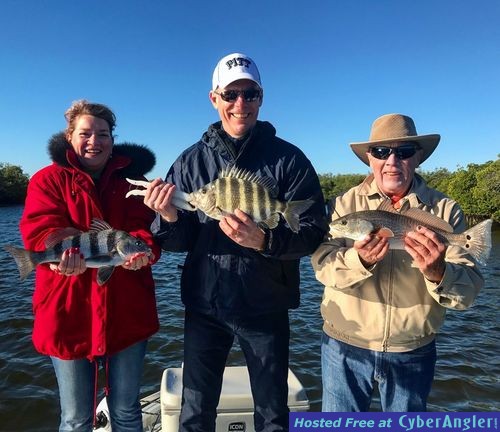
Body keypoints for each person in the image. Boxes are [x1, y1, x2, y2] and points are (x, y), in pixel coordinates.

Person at [142, 53, 326, 431]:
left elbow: (311, 233)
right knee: (195, 412)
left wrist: (265, 240)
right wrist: (170, 217)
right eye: (231, 94)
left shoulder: (289, 160)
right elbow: (178, 241)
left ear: (261, 97)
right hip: (205, 306)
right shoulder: (190, 162)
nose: (240, 104)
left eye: (250, 93)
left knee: (274, 413)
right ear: (215, 98)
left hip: (266, 305)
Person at [311, 113, 485, 412]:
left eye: (403, 152)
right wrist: (359, 259)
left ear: (417, 157)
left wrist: (437, 272)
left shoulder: (444, 210)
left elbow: (467, 294)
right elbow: (322, 267)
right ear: (369, 158)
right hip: (343, 349)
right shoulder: (343, 206)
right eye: (381, 151)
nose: (392, 160)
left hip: (413, 353)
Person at [19, 100, 161, 431]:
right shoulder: (47, 180)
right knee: (75, 417)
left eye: (103, 134)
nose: (94, 141)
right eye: (85, 133)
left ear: (113, 139)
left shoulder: (134, 182)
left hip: (127, 309)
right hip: (67, 310)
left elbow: (146, 228)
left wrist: (145, 251)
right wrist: (51, 254)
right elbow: (39, 229)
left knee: (127, 411)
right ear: (70, 136)